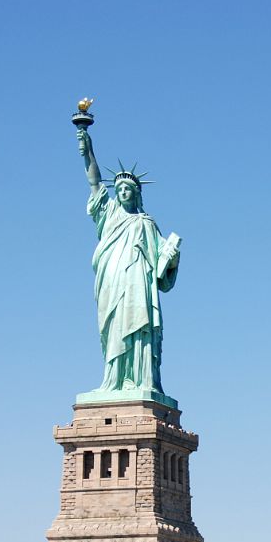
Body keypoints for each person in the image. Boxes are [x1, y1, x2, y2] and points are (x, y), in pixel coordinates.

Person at [76, 126, 181, 397]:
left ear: (136, 193)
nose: (122, 192)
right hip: (112, 280)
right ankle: (113, 381)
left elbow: (161, 266)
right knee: (113, 329)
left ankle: (142, 381)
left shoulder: (147, 223)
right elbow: (94, 182)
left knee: (140, 328)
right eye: (119, 188)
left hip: (138, 285)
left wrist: (171, 256)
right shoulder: (109, 213)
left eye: (128, 189)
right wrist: (87, 147)